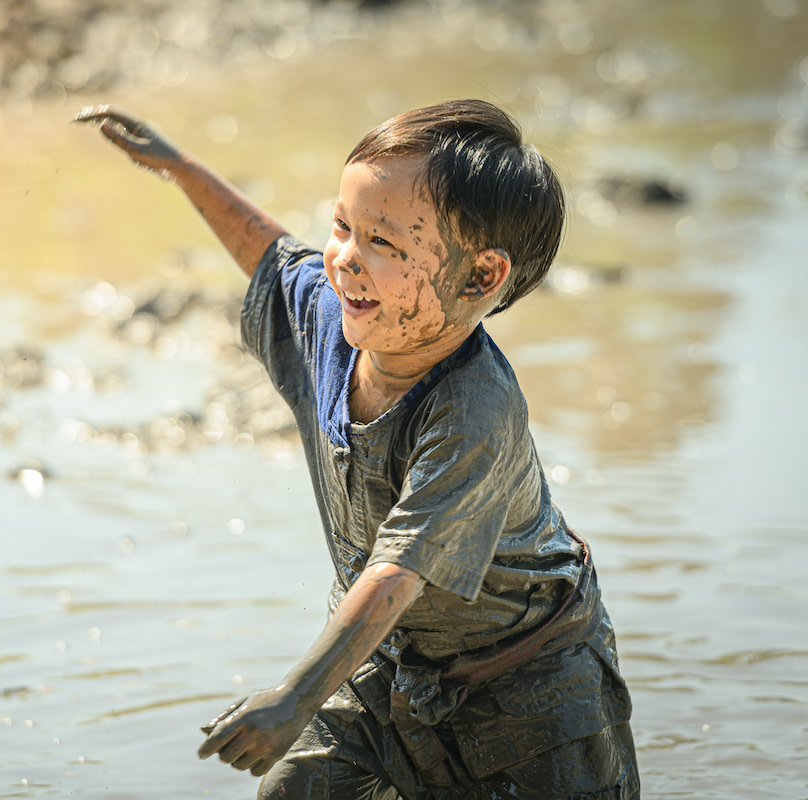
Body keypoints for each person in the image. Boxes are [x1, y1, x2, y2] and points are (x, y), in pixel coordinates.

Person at [74, 99, 638, 799]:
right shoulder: (330, 325)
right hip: (389, 664)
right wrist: (182, 170)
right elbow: (271, 255)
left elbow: (395, 574)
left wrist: (296, 697)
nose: (344, 261)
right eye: (342, 226)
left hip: (532, 691)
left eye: (386, 244)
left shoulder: (474, 411)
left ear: (481, 278)